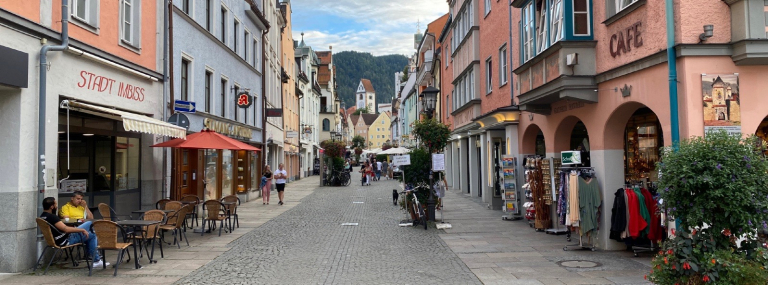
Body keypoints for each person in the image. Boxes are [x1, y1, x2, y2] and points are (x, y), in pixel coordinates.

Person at [40, 197, 109, 268]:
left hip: (56, 240)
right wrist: (81, 230)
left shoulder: (42, 216)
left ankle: (94, 258)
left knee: (90, 231)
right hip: (66, 240)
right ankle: (96, 259)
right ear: (52, 207)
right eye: (56, 204)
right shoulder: (52, 217)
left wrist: (77, 229)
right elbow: (66, 229)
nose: (57, 206)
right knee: (91, 232)